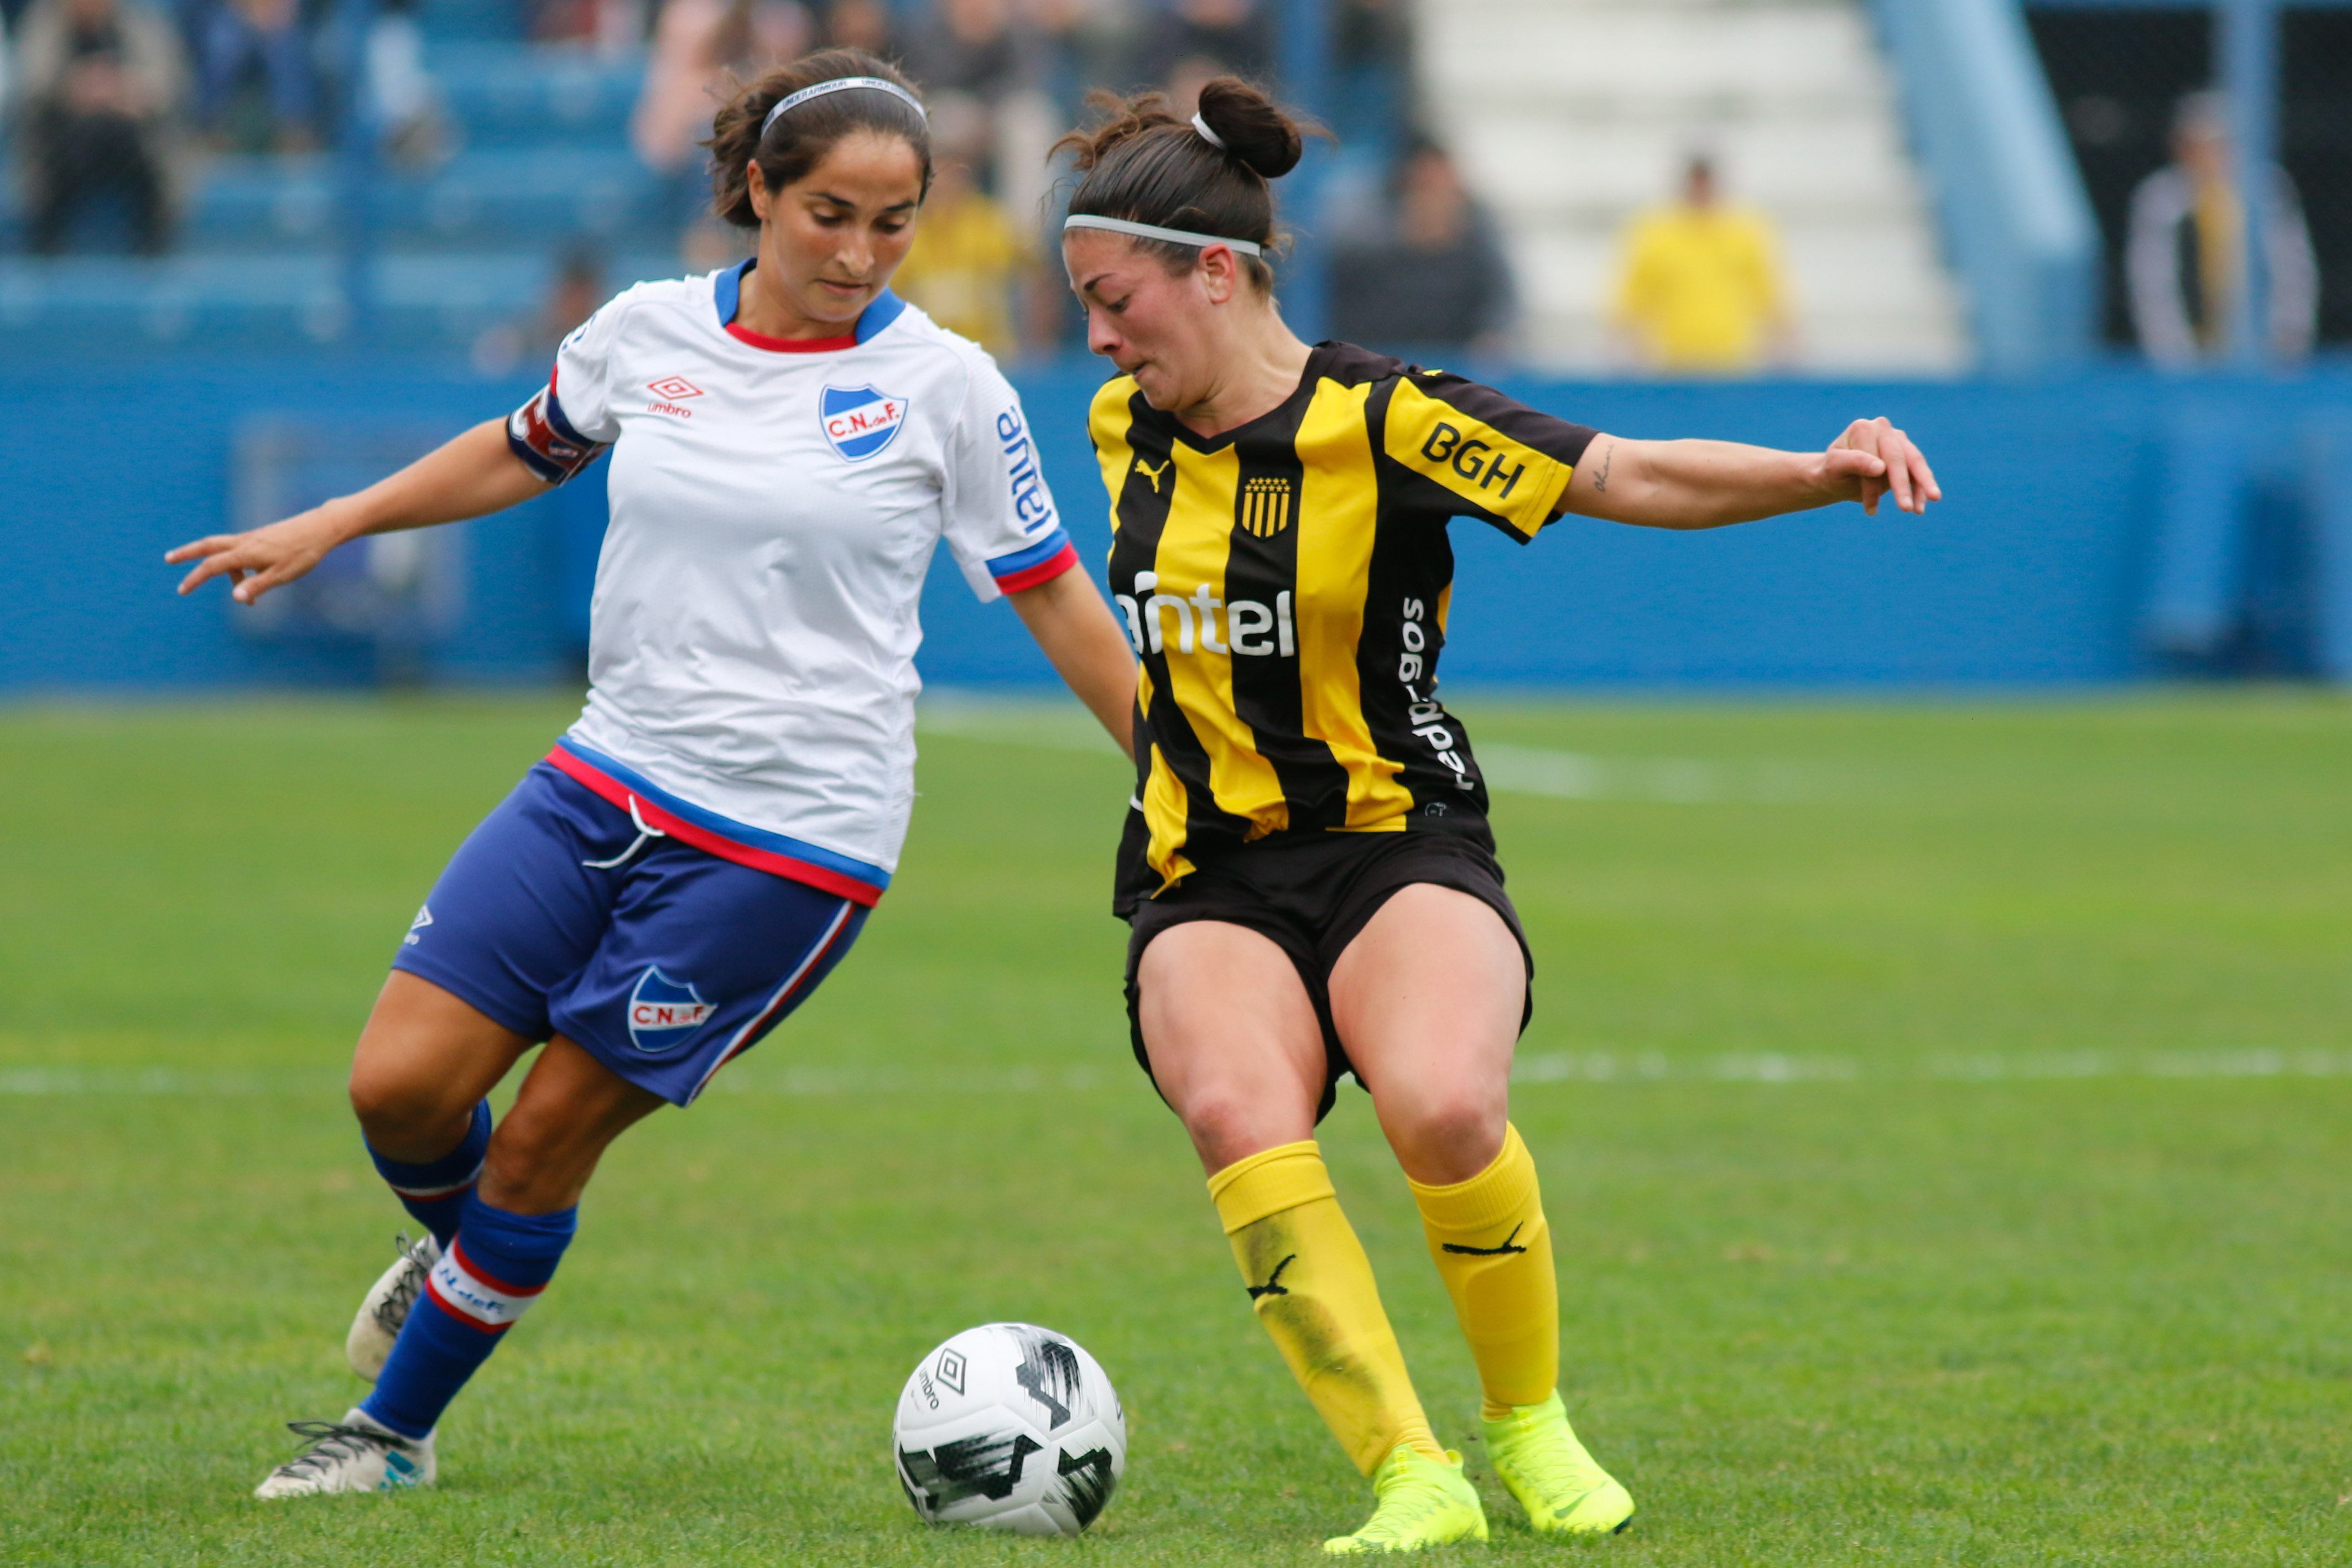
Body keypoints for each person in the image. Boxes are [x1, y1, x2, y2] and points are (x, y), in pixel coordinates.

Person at [166, 48, 1139, 1499]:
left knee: (546, 1136)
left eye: (894, 221)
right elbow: (525, 446)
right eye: (827, 214)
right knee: (398, 1091)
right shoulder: (646, 333)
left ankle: (389, 1432)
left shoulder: (945, 383)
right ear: (756, 190)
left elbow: (1054, 587)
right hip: (600, 778)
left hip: (789, 838)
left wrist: (1183, 776)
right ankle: (465, 1248)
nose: (859, 253)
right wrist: (342, 519)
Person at [1057, 80, 1940, 1553]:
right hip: (1203, 871)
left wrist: (1813, 471)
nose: (1096, 336)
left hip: (1399, 842)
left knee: (1447, 1106)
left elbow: (1618, 471)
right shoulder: (1116, 425)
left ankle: (1528, 1424)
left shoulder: (1390, 417)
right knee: (1236, 1112)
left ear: (1215, 270)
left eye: (1112, 299)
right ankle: (1410, 1471)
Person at [2127, 90, 2317, 368]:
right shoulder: (2161, 199)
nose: (2208, 155)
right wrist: (2173, 356)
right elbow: (2152, 283)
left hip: (2262, 353)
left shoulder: (2265, 190)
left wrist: (2287, 341)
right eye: (2196, 145)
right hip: (2190, 354)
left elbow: (2293, 270)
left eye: (2218, 144)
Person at [15, 0, 185, 254]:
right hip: (63, 147)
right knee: (84, 133)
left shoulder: (140, 24)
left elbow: (165, 86)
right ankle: (47, 244)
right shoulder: (44, 25)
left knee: (118, 132)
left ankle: (152, 246)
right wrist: (78, 89)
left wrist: (120, 90)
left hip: (131, 141)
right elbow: (35, 85)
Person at [1328, 135, 1515, 357]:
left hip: (1453, 364)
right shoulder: (1368, 240)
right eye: (1424, 185)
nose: (1432, 197)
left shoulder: (1478, 241)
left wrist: (1491, 339)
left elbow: (1500, 302)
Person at [1611, 153, 1789, 375]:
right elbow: (1633, 295)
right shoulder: (1656, 235)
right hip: (1673, 362)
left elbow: (1768, 291)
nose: (1701, 193)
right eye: (1696, 186)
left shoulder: (1744, 233)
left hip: (1732, 361)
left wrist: (1784, 338)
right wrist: (1627, 342)